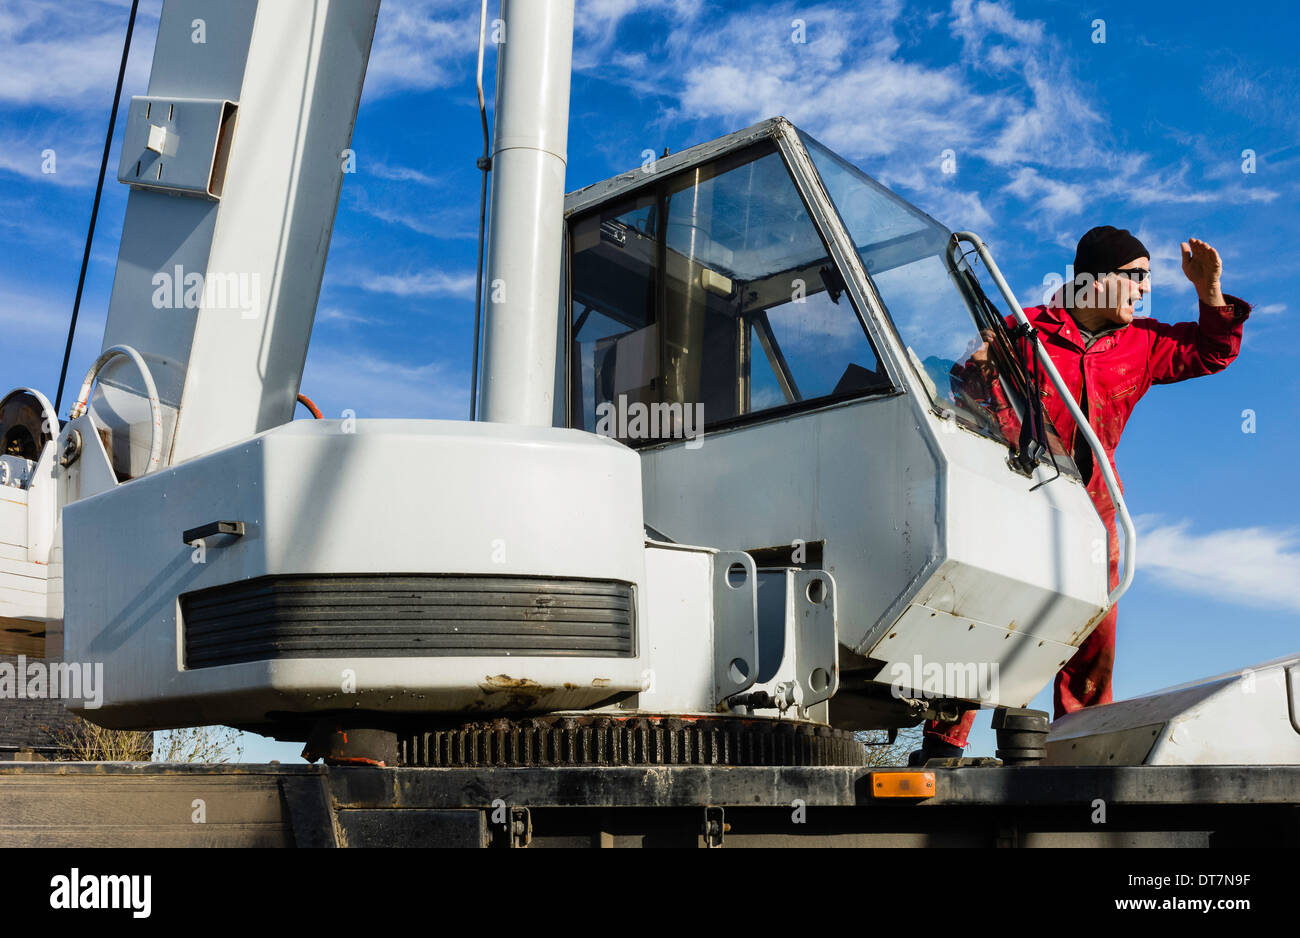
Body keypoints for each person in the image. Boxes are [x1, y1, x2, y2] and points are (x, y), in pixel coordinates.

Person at [911, 226, 1251, 764]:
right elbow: (967, 392)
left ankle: (1081, 751)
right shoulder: (1023, 331)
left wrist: (1209, 291)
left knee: (1094, 625)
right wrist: (980, 372)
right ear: (1096, 279)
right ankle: (942, 748)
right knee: (986, 607)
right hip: (1016, 494)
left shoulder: (1143, 344)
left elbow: (1212, 352)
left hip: (1094, 507)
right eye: (1136, 277)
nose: (1145, 290)